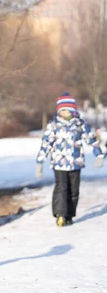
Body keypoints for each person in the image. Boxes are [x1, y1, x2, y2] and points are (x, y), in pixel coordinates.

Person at [36, 92, 104, 227]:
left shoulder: (80, 124)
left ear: (73, 111)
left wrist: (99, 154)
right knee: (61, 188)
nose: (65, 112)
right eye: (62, 110)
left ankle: (69, 215)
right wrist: (40, 162)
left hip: (76, 163)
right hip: (59, 163)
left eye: (68, 110)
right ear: (59, 111)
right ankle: (60, 214)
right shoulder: (53, 126)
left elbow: (90, 139)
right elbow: (46, 144)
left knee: (74, 190)